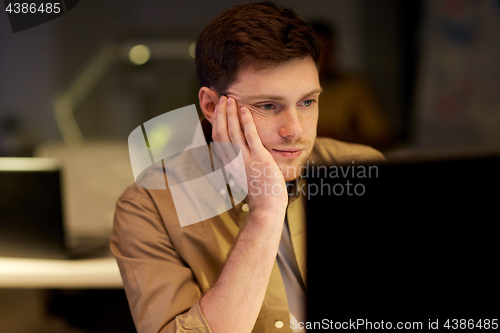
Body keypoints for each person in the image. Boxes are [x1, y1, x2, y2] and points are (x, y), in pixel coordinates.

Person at [111, 2, 384, 333]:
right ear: (212, 106)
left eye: (307, 102)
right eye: (268, 106)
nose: (295, 129)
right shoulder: (149, 205)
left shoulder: (358, 167)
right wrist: (265, 212)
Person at [310, 21, 394, 151]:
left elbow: (383, 138)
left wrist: (341, 139)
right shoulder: (285, 87)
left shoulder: (353, 87)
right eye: (317, 53)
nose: (322, 60)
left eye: (327, 52)